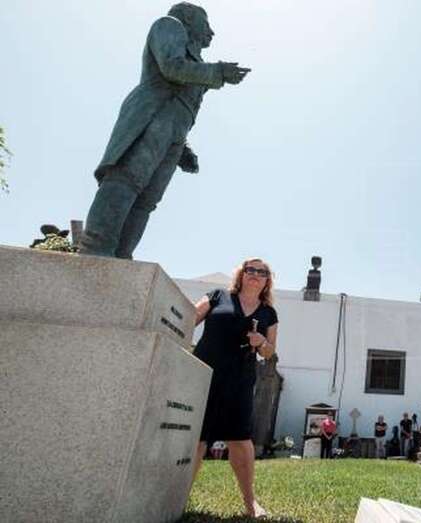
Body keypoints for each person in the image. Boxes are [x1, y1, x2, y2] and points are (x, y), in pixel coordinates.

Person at [78, 2, 250, 258]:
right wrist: (217, 71)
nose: (211, 32)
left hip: (174, 134)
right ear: (189, 18)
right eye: (206, 23)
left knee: (147, 200)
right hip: (151, 115)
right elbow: (171, 67)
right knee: (125, 180)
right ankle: (96, 251)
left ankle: (121, 257)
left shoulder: (197, 61)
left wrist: (183, 148)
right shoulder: (169, 25)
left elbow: (182, 108)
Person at [190, 258, 278, 518]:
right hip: (204, 374)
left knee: (240, 439)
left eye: (262, 272)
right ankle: (178, 497)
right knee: (196, 437)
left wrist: (261, 340)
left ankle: (250, 503)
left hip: (240, 379)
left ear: (266, 281)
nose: (255, 274)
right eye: (251, 269)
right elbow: (191, 317)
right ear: (241, 274)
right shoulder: (218, 296)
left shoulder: (268, 313)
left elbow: (269, 351)